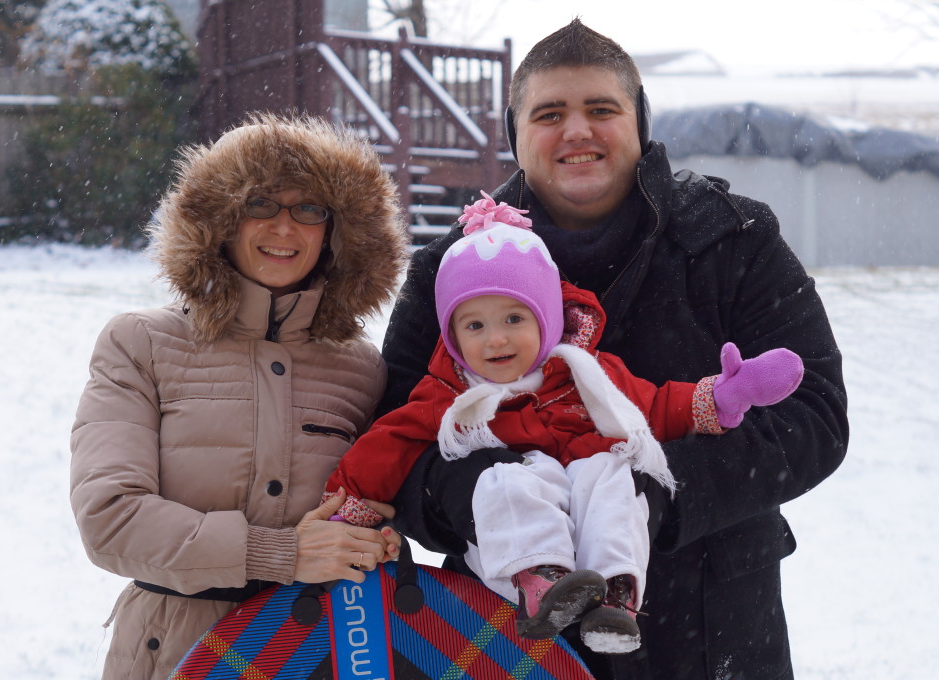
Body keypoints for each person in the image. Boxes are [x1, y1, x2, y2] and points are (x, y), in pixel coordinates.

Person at [379, 19, 849, 680]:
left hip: (716, 625)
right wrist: (485, 494)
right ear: (516, 134)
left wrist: (659, 492)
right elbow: (395, 441)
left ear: (639, 123)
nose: (577, 131)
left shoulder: (733, 238)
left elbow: (815, 418)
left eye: (601, 109)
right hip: (512, 630)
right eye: (549, 113)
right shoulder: (448, 269)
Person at [324, 192, 804, 654]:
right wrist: (347, 508)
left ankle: (614, 595)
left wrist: (721, 396)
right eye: (474, 326)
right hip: (507, 546)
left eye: (514, 318)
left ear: (548, 319)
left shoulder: (587, 373)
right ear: (450, 336)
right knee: (504, 477)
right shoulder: (449, 393)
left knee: (614, 473)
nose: (496, 340)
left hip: (585, 517)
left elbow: (653, 408)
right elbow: (389, 443)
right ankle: (541, 581)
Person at [69, 113, 409, 680]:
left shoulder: (361, 368)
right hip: (174, 651)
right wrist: (279, 554)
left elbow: (375, 493)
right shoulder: (141, 344)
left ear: (335, 229)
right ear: (221, 217)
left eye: (309, 209)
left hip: (316, 653)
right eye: (260, 205)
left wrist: (371, 534)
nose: (284, 228)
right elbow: (110, 518)